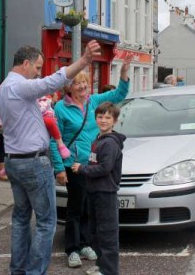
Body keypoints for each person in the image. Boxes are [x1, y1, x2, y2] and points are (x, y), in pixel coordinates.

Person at [0, 40, 101, 275]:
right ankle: (34, 272)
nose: (38, 73)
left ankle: (19, 270)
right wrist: (83, 61)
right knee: (46, 222)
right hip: (33, 162)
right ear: (25, 63)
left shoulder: (2, 89)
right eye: (36, 67)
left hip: (14, 160)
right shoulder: (19, 86)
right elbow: (53, 81)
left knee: (22, 218)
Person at [51, 55, 130, 269]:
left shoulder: (93, 102)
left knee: (89, 208)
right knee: (75, 209)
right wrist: (59, 167)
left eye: (85, 82)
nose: (83, 86)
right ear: (69, 87)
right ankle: (72, 249)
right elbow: (54, 139)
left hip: (93, 167)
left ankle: (85, 244)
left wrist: (123, 75)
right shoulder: (60, 108)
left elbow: (119, 94)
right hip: (74, 166)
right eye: (77, 82)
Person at [72, 102, 125, 275]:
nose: (103, 120)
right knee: (96, 232)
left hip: (105, 193)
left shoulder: (109, 143)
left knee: (107, 234)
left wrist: (82, 169)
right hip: (94, 192)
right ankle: (102, 267)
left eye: (108, 117)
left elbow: (104, 168)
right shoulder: (98, 139)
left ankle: (109, 271)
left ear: (115, 121)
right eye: (100, 117)